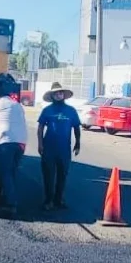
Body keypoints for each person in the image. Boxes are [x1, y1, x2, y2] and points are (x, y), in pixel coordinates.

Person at [0, 75, 28, 215]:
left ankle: (10, 203)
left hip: (6, 142)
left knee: (4, 172)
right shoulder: (17, 105)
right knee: (12, 171)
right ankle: (5, 197)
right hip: (21, 143)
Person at [36, 82, 81, 211]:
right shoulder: (47, 110)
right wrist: (40, 144)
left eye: (60, 93)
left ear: (64, 95)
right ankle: (48, 200)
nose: (58, 95)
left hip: (64, 149)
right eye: (56, 93)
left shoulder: (71, 111)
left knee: (62, 175)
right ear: (52, 96)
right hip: (48, 148)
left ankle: (58, 199)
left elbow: (76, 128)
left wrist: (78, 143)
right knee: (48, 175)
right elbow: (40, 128)